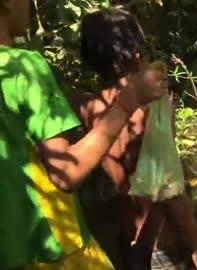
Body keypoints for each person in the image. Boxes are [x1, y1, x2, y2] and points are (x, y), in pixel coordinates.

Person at [0, 1, 166, 269]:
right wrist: (130, 98)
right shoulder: (23, 68)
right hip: (53, 247)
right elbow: (67, 171)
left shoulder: (81, 105)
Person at [75, 8, 197, 270]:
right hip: (164, 242)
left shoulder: (88, 107)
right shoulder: (151, 108)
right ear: (137, 55)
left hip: (128, 237)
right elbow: (167, 185)